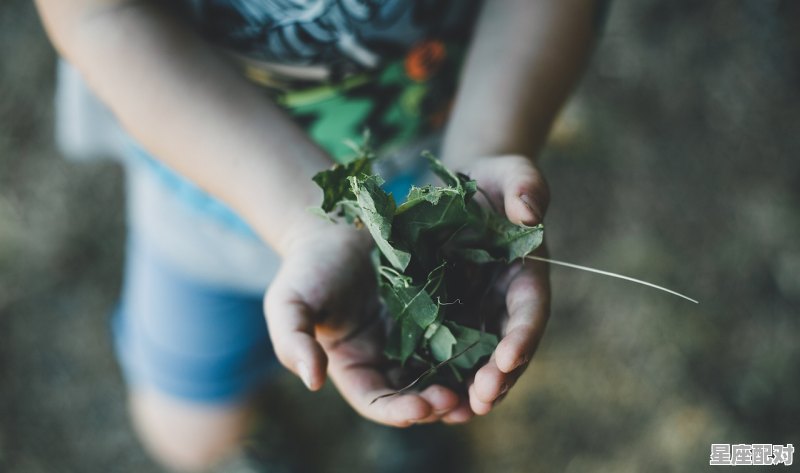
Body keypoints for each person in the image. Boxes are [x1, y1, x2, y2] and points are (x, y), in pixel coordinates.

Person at [35, 0, 604, 470]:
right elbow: (99, 16)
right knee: (189, 433)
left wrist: (484, 145)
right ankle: (252, 432)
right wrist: (304, 221)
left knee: (428, 361)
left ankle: (419, 400)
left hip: (433, 152)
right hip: (206, 196)